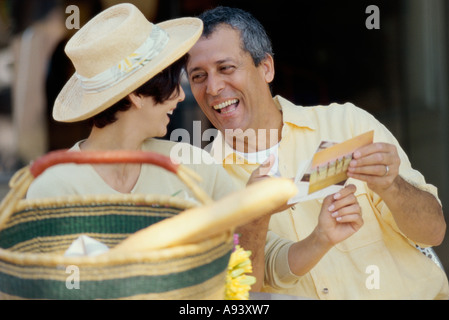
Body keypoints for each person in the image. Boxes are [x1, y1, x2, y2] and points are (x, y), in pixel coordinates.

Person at [186, 6, 449, 299]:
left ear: (266, 68)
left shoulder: (347, 123)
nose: (213, 87)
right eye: (198, 76)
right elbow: (240, 295)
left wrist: (392, 187)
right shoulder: (201, 179)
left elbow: (433, 232)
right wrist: (254, 219)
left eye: (226, 68)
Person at [26, 3, 235, 203]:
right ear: (136, 94)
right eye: (173, 83)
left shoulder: (191, 165)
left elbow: (250, 233)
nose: (181, 95)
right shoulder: (55, 188)